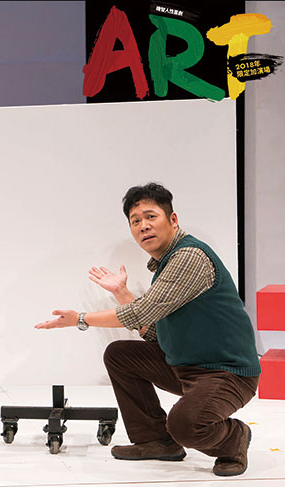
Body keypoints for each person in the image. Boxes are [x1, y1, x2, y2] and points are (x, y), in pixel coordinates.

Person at [35, 182, 260, 477]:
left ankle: (234, 439)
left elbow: (141, 312)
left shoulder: (189, 257)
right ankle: (156, 440)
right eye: (135, 221)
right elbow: (155, 332)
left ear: (173, 219)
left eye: (151, 217)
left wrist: (81, 318)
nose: (143, 226)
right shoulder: (165, 264)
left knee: (185, 425)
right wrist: (122, 293)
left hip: (227, 372)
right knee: (120, 355)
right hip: (187, 367)